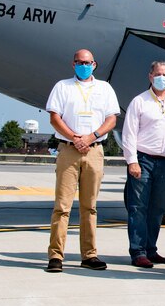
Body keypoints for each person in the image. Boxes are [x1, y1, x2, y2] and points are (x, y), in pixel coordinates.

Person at [44, 49, 121, 273]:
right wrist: (75, 138)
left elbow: (111, 119)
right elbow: (54, 117)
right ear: (73, 64)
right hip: (69, 149)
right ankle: (56, 255)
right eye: (79, 62)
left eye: (87, 62)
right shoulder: (62, 86)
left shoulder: (104, 88)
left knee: (90, 206)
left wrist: (91, 137)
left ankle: (89, 255)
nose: (83, 65)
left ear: (94, 64)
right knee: (62, 206)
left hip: (95, 150)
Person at [121, 61, 165, 269]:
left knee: (158, 208)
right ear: (150, 76)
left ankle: (151, 249)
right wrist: (132, 161)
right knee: (138, 207)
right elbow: (129, 133)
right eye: (157, 74)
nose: (161, 77)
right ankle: (138, 251)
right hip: (143, 159)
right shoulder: (139, 101)